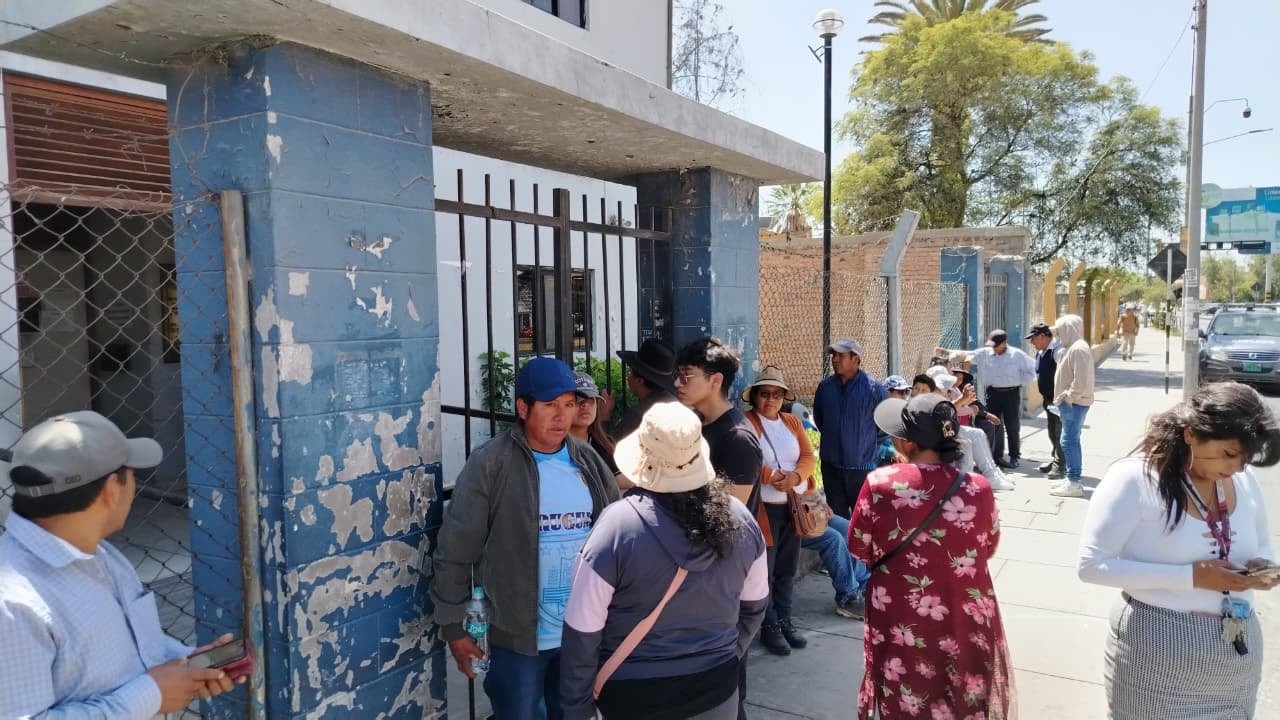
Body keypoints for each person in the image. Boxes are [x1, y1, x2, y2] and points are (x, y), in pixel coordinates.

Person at [0, 411, 242, 717]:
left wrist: (187, 665)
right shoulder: (13, 604)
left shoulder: (103, 556)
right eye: (132, 474)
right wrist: (151, 694)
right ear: (112, 489)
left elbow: (136, 646)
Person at [431, 357, 621, 720]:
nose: (562, 416)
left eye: (568, 404)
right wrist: (454, 627)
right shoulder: (490, 465)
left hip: (582, 634)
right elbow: (456, 550)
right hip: (516, 641)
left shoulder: (588, 462)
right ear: (523, 407)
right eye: (550, 405)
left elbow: (618, 539)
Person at [1077, 382, 1280, 719]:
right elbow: (1091, 565)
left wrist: (1265, 566)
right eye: (1229, 454)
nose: (1237, 467)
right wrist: (1191, 577)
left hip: (1237, 655)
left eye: (1245, 459)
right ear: (1191, 433)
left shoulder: (1244, 482)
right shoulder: (1135, 479)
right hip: (1158, 653)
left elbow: (1262, 543)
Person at [560, 402, 768, 720]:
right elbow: (754, 608)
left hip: (632, 697)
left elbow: (582, 634)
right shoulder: (740, 519)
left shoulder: (617, 527)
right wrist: (726, 652)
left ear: (643, 461)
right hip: (717, 691)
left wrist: (577, 709)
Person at [850, 396, 1014, 720]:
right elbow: (988, 547)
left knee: (905, 689)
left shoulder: (880, 483)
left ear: (907, 442)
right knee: (960, 690)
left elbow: (858, 546)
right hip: (963, 610)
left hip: (899, 612)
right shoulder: (978, 487)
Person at [673, 337, 762, 720]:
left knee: (725, 688)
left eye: (686, 376)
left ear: (715, 381)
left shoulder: (737, 440)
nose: (677, 383)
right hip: (690, 575)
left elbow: (727, 518)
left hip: (721, 580)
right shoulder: (697, 426)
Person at [742, 366, 813, 655]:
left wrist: (795, 478)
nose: (770, 399)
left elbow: (808, 456)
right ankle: (768, 625)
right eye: (764, 394)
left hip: (792, 508)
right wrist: (774, 477)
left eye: (776, 394)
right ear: (755, 397)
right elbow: (745, 458)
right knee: (766, 571)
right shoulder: (747, 423)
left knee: (786, 569)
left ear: (784, 397)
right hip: (764, 510)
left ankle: (784, 619)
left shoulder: (792, 423)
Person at [784, 402, 870, 621]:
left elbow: (807, 486)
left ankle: (862, 584)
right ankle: (847, 598)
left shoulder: (797, 449)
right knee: (833, 539)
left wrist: (820, 503)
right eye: (799, 428)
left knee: (849, 528)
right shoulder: (772, 449)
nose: (803, 433)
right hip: (787, 519)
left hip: (807, 510)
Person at [937, 329, 1036, 469]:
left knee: (1012, 425)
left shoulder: (1017, 355)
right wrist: (947, 352)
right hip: (993, 392)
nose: (993, 348)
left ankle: (1014, 456)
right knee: (995, 423)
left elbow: (1032, 370)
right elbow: (966, 355)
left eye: (996, 345)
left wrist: (1020, 382)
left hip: (1011, 393)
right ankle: (997, 456)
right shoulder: (985, 353)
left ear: (1004, 343)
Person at [813, 338, 888, 519]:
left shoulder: (874, 389)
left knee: (862, 518)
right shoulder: (825, 388)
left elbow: (883, 427)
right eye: (833, 355)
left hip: (861, 470)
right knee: (837, 520)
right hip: (832, 469)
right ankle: (842, 549)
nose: (835, 359)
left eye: (841, 355)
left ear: (856, 359)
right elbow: (820, 420)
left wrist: (861, 441)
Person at [1048, 315, 1095, 498]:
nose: (1058, 335)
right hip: (1071, 403)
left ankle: (1074, 481)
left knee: (1069, 441)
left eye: (1060, 330)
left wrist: (1069, 397)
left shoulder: (1078, 349)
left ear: (1069, 329)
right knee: (1070, 440)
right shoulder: (1071, 347)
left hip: (1074, 404)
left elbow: (1081, 379)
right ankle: (1071, 479)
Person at [604, 339, 678, 440]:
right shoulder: (675, 403)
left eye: (630, 372)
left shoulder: (639, 414)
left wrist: (604, 415)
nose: (628, 377)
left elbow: (609, 448)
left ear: (639, 381)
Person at [1026, 322, 1065, 480]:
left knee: (1060, 432)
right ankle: (1057, 459)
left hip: (1058, 400)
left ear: (1043, 336)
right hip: (1047, 399)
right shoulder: (1041, 352)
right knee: (1052, 432)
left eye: (1033, 338)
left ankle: (1061, 465)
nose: (1032, 342)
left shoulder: (1057, 352)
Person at [571, 371, 621, 480]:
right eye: (578, 399)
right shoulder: (553, 446)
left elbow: (625, 480)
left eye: (591, 399)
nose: (585, 405)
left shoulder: (605, 444)